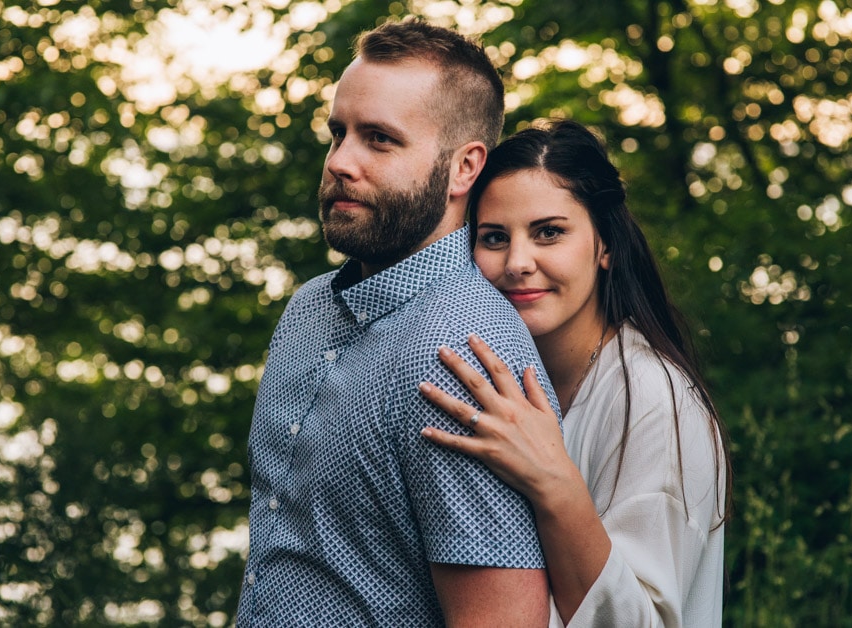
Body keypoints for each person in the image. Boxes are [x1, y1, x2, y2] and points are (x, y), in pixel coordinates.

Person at [236, 18, 559, 627]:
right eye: (339, 134)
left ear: (464, 169)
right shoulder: (307, 311)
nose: (341, 163)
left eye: (380, 140)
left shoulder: (465, 352)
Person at [419, 120, 730, 626]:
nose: (518, 262)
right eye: (494, 237)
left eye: (549, 232)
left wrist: (555, 483)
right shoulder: (504, 382)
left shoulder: (654, 399)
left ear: (603, 245)